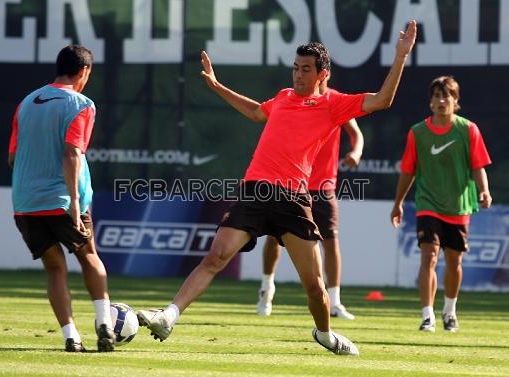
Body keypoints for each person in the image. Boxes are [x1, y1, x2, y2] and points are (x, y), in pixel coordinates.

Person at [138, 21, 416, 356]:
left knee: (314, 287)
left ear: (322, 74)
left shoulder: (334, 104)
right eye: (295, 68)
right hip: (256, 191)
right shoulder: (284, 97)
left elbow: (383, 100)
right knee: (216, 256)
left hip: (294, 200)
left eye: (305, 70)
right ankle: (169, 315)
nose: (297, 76)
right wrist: (216, 86)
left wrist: (400, 56)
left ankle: (326, 334)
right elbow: (256, 112)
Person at [8, 45, 116, 352]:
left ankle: (71, 337)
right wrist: (74, 205)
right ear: (84, 71)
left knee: (54, 268)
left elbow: (13, 158)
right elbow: (72, 154)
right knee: (89, 256)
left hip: (26, 203)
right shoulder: (81, 103)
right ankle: (104, 324)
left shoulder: (27, 102)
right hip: (64, 201)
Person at [390, 76, 492, 332]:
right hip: (427, 204)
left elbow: (478, 166)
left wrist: (484, 191)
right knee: (429, 257)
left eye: (446, 96)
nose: (441, 101)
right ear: (430, 101)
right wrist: (398, 203)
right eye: (436, 96)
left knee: (454, 262)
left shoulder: (468, 130)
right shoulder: (418, 133)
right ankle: (427, 316)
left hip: (458, 206)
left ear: (456, 101)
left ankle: (449, 312)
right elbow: (407, 171)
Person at [257, 75, 363, 319]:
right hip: (290, 184)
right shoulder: (290, 99)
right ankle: (266, 287)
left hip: (323, 185)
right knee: (275, 237)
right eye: (300, 68)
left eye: (310, 68)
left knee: (330, 240)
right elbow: (261, 116)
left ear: (323, 73)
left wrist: (356, 152)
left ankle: (335, 301)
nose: (303, 74)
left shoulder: (336, 100)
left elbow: (356, 134)